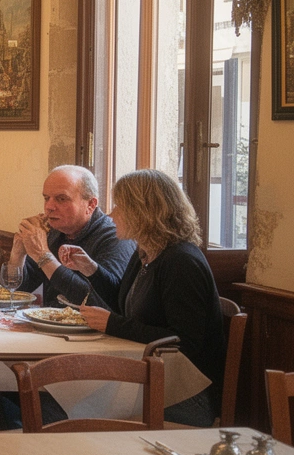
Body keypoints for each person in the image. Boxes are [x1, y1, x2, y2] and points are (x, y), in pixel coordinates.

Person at [79, 169, 226, 427]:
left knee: (79, 409)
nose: (111, 215)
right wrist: (91, 269)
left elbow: (184, 342)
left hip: (187, 394)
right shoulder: (145, 251)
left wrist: (112, 324)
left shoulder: (181, 261)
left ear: (143, 212)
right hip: (153, 376)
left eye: (120, 207)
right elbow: (125, 303)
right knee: (74, 394)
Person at [10, 165, 135, 307]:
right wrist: (18, 254)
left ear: (91, 204)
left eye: (61, 199)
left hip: (92, 327)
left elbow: (96, 301)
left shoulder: (116, 237)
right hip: (51, 324)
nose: (49, 207)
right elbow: (19, 291)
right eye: (46, 198)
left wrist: (43, 255)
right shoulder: (54, 231)